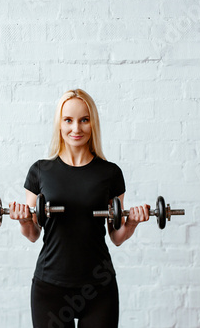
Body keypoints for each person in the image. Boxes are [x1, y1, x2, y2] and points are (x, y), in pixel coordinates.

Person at [9, 89, 150, 328]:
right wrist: (24, 220)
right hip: (50, 287)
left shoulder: (110, 173)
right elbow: (33, 234)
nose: (76, 128)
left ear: (93, 123)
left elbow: (116, 237)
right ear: (59, 124)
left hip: (98, 288)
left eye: (84, 120)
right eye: (69, 120)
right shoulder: (40, 171)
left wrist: (132, 223)